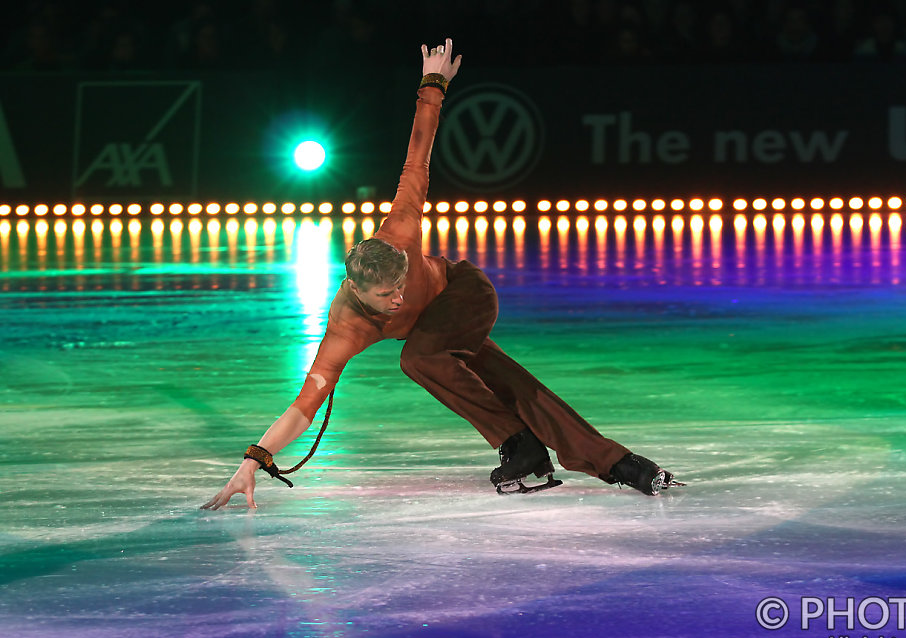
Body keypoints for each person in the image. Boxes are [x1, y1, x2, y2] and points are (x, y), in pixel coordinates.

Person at [201, 38, 682, 511]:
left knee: (418, 357)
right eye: (386, 296)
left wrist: (433, 84)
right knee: (507, 380)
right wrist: (255, 460)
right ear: (355, 290)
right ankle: (619, 463)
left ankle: (517, 440)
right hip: (434, 332)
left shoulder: (400, 231)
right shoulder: (346, 326)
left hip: (466, 294)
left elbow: (417, 157)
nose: (396, 300)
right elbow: (305, 406)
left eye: (400, 286)